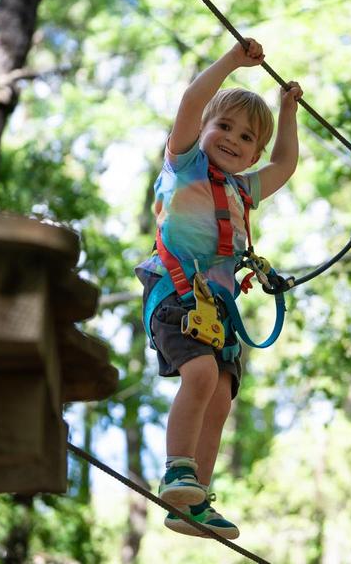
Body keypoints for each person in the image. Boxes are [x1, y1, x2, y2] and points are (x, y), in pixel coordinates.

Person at [135, 38, 303, 539]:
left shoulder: (242, 189)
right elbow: (190, 104)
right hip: (175, 295)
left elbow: (285, 166)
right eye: (223, 126)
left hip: (218, 309)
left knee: (222, 396)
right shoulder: (184, 163)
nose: (233, 138)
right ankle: (177, 468)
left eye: (247, 137)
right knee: (202, 376)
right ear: (203, 130)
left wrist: (287, 110)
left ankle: (194, 500)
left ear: (254, 151)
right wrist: (232, 61)